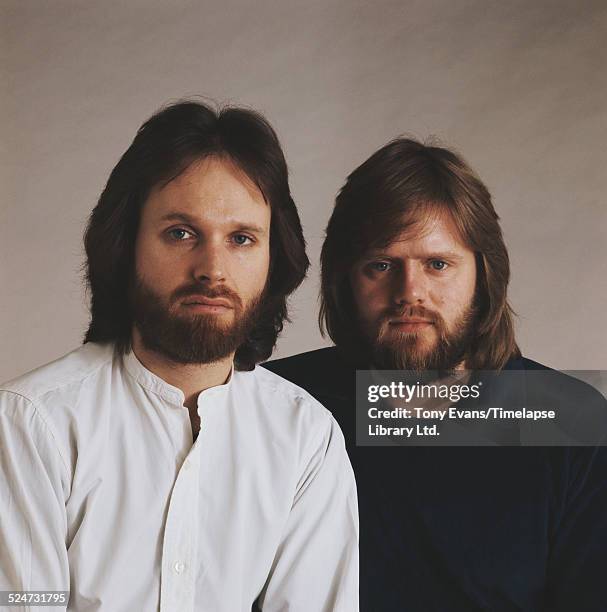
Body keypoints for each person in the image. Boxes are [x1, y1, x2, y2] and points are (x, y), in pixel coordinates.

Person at [0, 101, 358, 611]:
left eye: (241, 238)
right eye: (181, 233)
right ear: (126, 246)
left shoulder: (306, 439)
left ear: (273, 258)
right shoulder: (33, 424)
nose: (212, 268)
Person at [264, 138, 607, 611]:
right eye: (381, 265)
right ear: (344, 280)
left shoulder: (568, 418)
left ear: (484, 276)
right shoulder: (280, 405)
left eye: (438, 264)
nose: (410, 292)